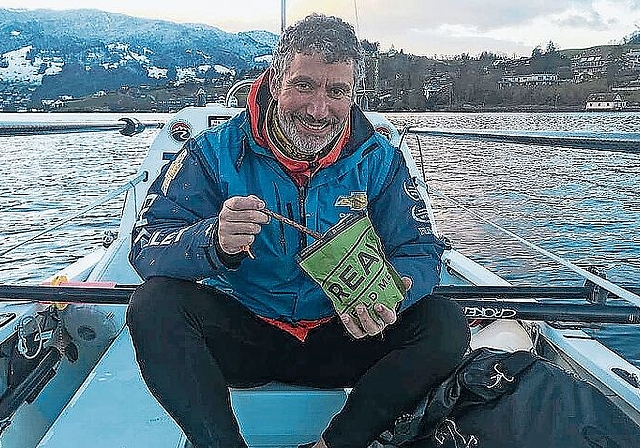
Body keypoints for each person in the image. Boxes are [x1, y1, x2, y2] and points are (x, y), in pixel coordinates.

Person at [126, 13, 470, 448]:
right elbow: (148, 242)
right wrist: (212, 241)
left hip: (347, 333)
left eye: (336, 91)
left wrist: (394, 294)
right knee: (154, 304)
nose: (318, 109)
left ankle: (338, 443)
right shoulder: (212, 151)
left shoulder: (380, 158)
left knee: (444, 323)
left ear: (353, 95)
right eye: (303, 85)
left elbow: (418, 249)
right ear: (275, 81)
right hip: (247, 333)